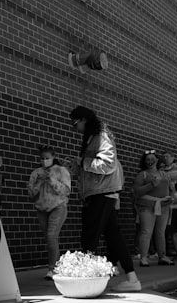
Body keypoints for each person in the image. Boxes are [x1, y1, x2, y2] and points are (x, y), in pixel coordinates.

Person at [68, 105, 141, 291]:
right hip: (101, 192)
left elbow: (108, 164)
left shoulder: (100, 136)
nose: (75, 128)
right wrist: (77, 166)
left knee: (90, 237)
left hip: (101, 192)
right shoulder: (94, 136)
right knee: (113, 237)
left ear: (84, 119)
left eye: (75, 124)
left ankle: (87, 282)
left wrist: (83, 163)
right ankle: (132, 279)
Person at [26, 146, 72, 278]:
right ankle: (56, 265)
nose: (44, 161)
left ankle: (53, 269)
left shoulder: (61, 171)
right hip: (42, 208)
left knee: (52, 236)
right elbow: (31, 194)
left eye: (47, 158)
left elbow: (66, 190)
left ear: (53, 158)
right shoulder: (36, 173)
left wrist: (52, 181)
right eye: (42, 158)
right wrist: (39, 183)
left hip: (58, 207)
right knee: (49, 238)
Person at [132, 150, 174, 266]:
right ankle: (144, 257)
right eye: (147, 159)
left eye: (152, 159)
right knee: (146, 231)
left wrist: (171, 197)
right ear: (144, 162)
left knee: (161, 232)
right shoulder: (143, 174)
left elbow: (170, 188)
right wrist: (151, 185)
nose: (150, 161)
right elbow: (137, 191)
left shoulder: (164, 174)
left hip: (163, 206)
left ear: (157, 160)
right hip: (147, 205)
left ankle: (162, 256)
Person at [161, 152, 177, 261]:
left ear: (173, 157)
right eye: (164, 156)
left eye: (168, 156)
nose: (166, 158)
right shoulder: (160, 171)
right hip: (170, 205)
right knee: (173, 230)